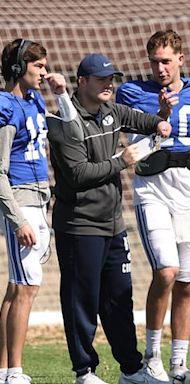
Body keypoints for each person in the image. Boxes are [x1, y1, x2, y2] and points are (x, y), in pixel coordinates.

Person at [48, 53, 171, 384]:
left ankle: (130, 369)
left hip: (113, 225)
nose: (109, 84)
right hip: (79, 226)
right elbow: (77, 174)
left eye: (111, 78)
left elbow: (140, 120)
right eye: (102, 79)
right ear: (82, 82)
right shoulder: (62, 122)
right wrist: (121, 161)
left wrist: (160, 119)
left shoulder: (111, 111)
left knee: (119, 297)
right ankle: (84, 371)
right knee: (81, 301)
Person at [116, 29, 190, 384]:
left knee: (188, 280)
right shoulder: (134, 93)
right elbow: (136, 151)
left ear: (181, 58)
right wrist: (160, 121)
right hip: (152, 190)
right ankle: (152, 359)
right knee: (165, 271)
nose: (160, 68)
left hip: (189, 193)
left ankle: (179, 365)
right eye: (154, 62)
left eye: (166, 61)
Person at [0, 38, 76, 384]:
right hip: (19, 200)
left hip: (39, 199)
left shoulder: (32, 100)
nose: (45, 72)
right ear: (18, 68)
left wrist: (62, 94)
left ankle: (4, 370)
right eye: (39, 66)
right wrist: (17, 219)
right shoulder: (6, 107)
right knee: (27, 284)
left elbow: (73, 131)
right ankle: (14, 370)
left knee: (17, 288)